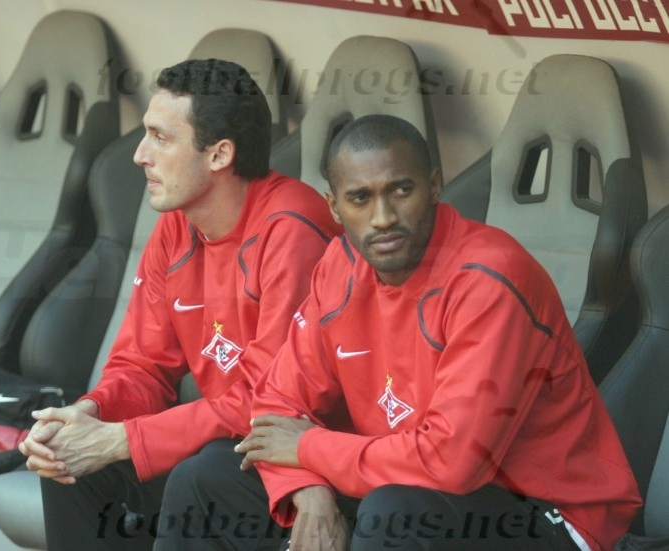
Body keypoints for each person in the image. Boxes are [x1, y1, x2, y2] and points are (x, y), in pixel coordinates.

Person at [186, 114, 641, 551]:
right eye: (360, 198)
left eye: (401, 190)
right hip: (406, 482)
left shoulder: (488, 280)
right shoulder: (340, 264)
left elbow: (452, 462)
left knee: (394, 515)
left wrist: (307, 447)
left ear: (435, 185)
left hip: (548, 513)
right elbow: (277, 405)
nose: (383, 217)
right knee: (208, 477)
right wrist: (307, 489)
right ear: (334, 207)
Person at [17, 58, 342, 550]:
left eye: (160, 138)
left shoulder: (292, 229)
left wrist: (125, 440)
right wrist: (87, 415)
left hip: (300, 463)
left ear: (220, 154)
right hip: (224, 442)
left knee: (202, 470)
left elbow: (271, 401)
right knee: (69, 461)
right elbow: (141, 366)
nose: (139, 155)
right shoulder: (178, 221)